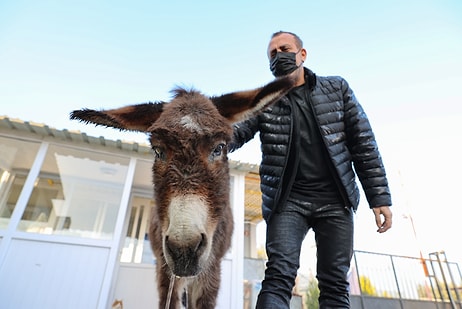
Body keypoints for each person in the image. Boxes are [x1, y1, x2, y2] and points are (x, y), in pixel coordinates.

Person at [230, 31, 392, 308]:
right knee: (278, 276)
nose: (278, 55)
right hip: (288, 202)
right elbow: (233, 133)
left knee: (334, 284)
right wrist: (200, 135)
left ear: (302, 54)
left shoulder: (336, 89)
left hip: (335, 201)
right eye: (272, 53)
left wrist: (379, 198)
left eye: (285, 48)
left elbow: (363, 143)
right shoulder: (263, 100)